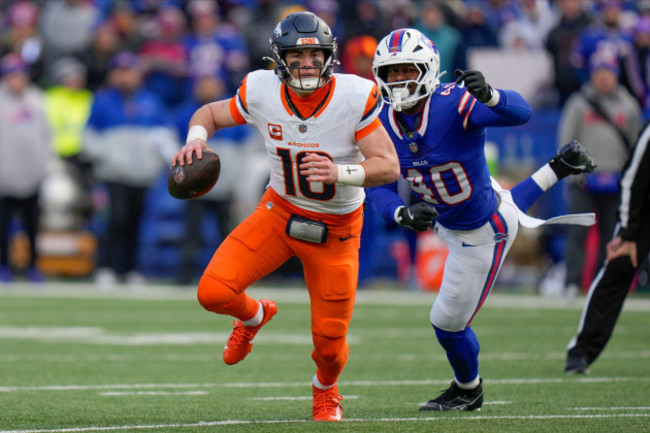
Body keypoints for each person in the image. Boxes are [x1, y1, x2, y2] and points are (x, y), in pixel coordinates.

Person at [171, 12, 399, 422]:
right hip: (279, 212)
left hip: (338, 228)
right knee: (213, 292)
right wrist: (195, 140)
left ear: (329, 56)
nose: (307, 63)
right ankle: (255, 315)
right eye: (297, 55)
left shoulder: (353, 95)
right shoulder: (262, 90)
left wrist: (342, 172)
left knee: (330, 344)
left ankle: (325, 390)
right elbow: (209, 113)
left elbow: (388, 165)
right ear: (279, 58)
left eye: (315, 55)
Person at [366, 28, 596, 412]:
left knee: (446, 323)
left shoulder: (453, 102)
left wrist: (491, 95)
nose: (398, 80)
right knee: (500, 202)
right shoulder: (381, 122)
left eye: (406, 69)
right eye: (390, 72)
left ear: (427, 69)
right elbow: (375, 186)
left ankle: (467, 388)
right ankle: (559, 165)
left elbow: (521, 112)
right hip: (468, 204)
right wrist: (401, 212)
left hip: (480, 232)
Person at [82, 51, 177, 287]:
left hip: (142, 176)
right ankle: (107, 267)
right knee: (115, 221)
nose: (125, 77)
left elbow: (165, 138)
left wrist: (158, 162)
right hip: (114, 175)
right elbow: (88, 138)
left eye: (129, 72)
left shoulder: (151, 102)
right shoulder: (103, 101)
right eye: (120, 72)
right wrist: (108, 157)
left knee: (136, 222)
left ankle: (132, 269)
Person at [565, 120, 650, 374]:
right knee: (619, 266)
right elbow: (632, 180)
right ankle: (581, 351)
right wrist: (627, 231)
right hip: (644, 210)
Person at [559, 50, 642, 297]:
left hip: (616, 181)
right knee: (577, 234)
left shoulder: (628, 106)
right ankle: (572, 283)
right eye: (599, 72)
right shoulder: (579, 103)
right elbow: (566, 141)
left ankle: (602, 284)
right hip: (583, 180)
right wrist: (569, 174)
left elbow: (636, 146)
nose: (604, 77)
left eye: (608, 72)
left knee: (611, 236)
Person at [0, 54, 52, 283]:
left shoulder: (38, 99)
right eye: (12, 76)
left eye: (19, 75)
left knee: (32, 225)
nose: (16, 81)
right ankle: (4, 265)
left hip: (32, 175)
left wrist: (43, 166)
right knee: (4, 226)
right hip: (4, 177)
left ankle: (33, 266)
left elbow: (46, 136)